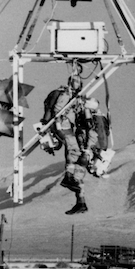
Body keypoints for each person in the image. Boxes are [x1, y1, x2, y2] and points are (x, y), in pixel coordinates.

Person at [42, 74, 88, 214]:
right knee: (74, 153)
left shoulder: (75, 97)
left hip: (69, 128)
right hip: (63, 127)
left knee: (75, 158)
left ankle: (80, 200)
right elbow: (58, 111)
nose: (77, 84)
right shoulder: (66, 95)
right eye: (76, 82)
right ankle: (70, 179)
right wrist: (58, 128)